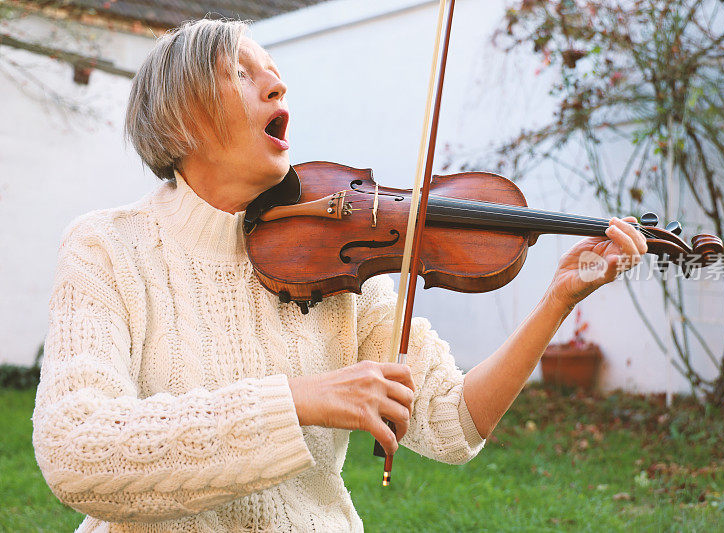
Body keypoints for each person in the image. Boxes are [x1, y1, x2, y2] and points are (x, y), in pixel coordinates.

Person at [32, 18, 648, 532]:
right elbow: (77, 451)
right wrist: (298, 401)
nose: (276, 83)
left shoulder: (336, 257)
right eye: (242, 73)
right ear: (183, 116)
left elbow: (452, 422)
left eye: (273, 70)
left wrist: (557, 301)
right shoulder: (109, 248)